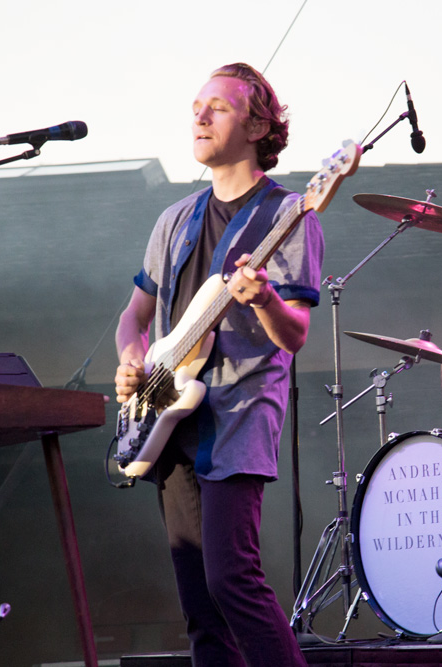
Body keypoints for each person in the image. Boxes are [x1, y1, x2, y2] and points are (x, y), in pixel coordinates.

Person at [114, 62, 321, 666]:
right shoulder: (173, 220)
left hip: (238, 415)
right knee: (199, 607)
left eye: (219, 107)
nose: (199, 117)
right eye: (196, 106)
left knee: (232, 579)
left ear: (259, 125)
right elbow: (134, 317)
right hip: (166, 414)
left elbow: (296, 336)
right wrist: (132, 363)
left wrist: (264, 300)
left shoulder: (288, 216)